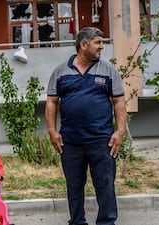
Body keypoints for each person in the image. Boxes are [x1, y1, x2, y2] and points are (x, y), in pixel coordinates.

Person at [45, 27, 127, 225]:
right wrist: (52, 131)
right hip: (70, 141)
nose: (102, 47)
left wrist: (120, 131)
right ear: (83, 45)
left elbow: (119, 102)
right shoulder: (60, 71)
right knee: (74, 185)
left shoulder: (108, 70)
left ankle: (106, 222)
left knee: (105, 184)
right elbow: (51, 102)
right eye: (98, 42)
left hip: (102, 140)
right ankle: (77, 221)